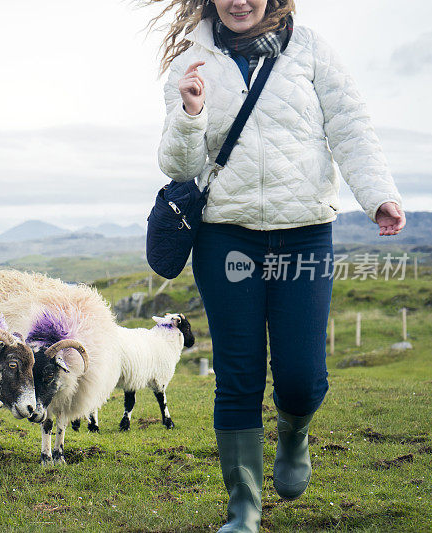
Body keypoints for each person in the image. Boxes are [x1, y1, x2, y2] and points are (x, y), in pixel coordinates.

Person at [149, 0, 405, 531]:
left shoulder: (309, 49)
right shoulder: (191, 60)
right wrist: (191, 114)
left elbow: (350, 126)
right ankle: (244, 507)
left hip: (304, 234)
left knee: (302, 375)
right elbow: (179, 167)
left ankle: (294, 435)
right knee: (238, 374)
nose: (240, 1)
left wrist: (377, 194)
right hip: (225, 235)